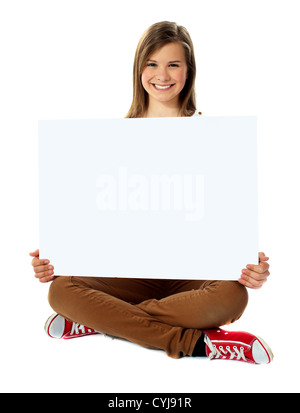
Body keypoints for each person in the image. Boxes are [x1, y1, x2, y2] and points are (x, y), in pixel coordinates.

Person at [30, 21, 273, 364]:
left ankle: (100, 321)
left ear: (188, 71)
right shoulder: (108, 142)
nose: (163, 75)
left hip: (191, 275)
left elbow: (226, 220)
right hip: (127, 273)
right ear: (139, 70)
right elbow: (96, 218)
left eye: (174, 64)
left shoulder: (215, 137)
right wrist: (61, 254)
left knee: (233, 297)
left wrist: (249, 262)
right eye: (152, 64)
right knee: (60, 289)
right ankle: (197, 344)